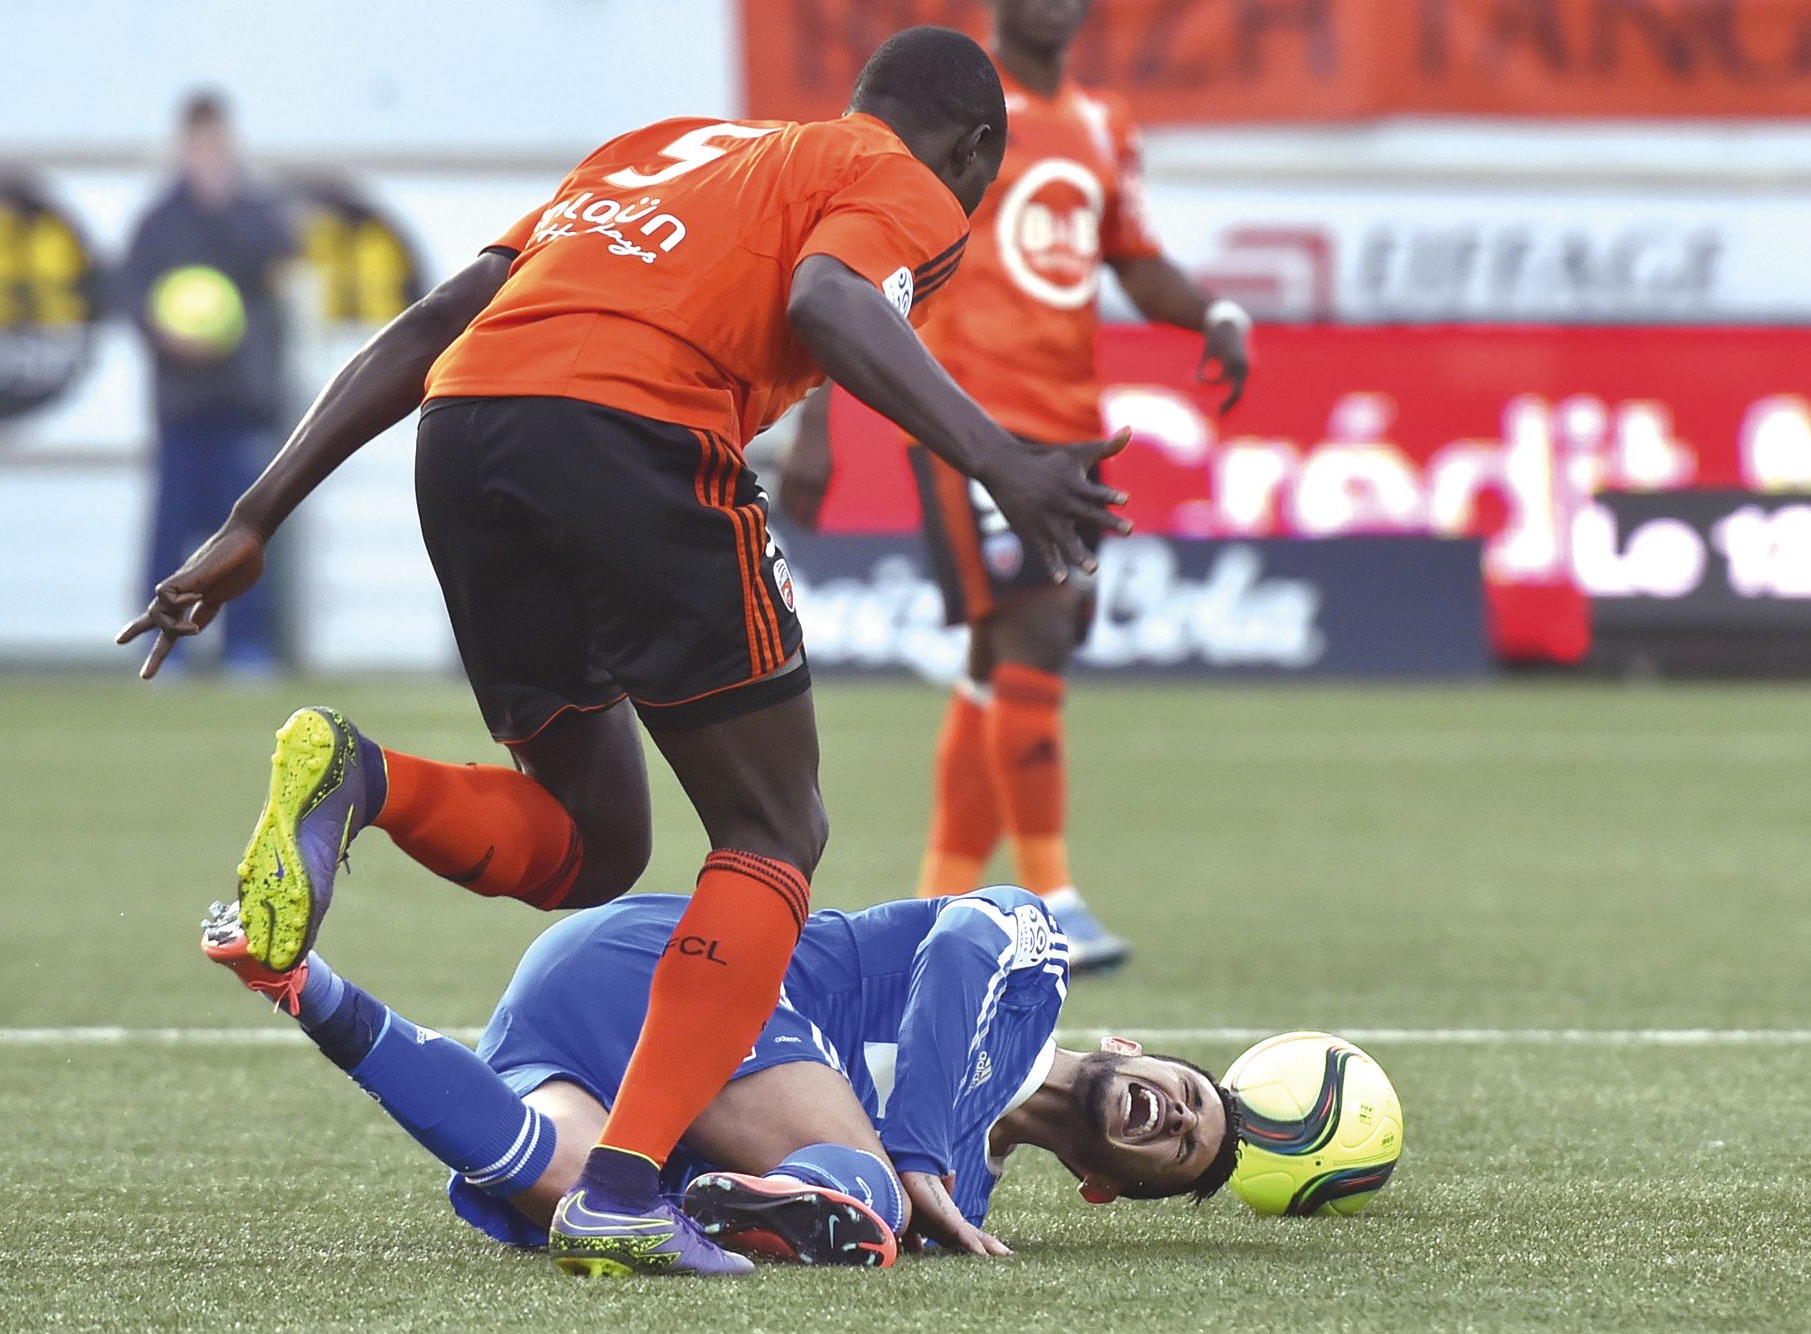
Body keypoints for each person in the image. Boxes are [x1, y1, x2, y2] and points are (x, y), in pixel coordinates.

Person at [119, 27, 1132, 1277]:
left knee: (592, 841)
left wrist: (252, 518)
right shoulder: (910, 184)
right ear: (975, 151)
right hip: (636, 431)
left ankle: (359, 778)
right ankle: (619, 1183)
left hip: (471, 430)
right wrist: (1002, 459)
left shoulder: (657, 152)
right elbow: (830, 296)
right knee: (773, 829)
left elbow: (442, 315)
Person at [781, 0, 1252, 972]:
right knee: (1035, 626)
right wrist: (816, 420)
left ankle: (934, 906)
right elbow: (851, 267)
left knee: (1010, 653)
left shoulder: (1101, 122)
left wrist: (1213, 312)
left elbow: (1130, 255)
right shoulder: (950, 112)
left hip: (1070, 414)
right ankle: (1052, 897)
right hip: (974, 419)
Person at [199, 882, 1242, 1267]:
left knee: (563, 1178)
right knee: (871, 1187)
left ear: (1110, 1186)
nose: (1171, 1116)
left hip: (589, 1042)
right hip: (689, 962)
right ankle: (750, 1195)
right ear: (1126, 1046)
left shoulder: (965, 1199)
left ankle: (303, 983)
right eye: (1187, 1092)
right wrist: (915, 1153)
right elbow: (962, 941)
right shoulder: (1035, 963)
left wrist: (930, 1178)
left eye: (1177, 1148)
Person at [119, 91, 299, 675]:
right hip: (182, 407)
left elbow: (280, 264)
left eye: (216, 145)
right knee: (170, 534)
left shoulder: (255, 212)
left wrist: (223, 205)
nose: (207, 156)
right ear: (182, 147)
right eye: (197, 146)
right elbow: (130, 296)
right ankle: (162, 647)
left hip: (243, 405)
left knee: (244, 538)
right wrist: (167, 336)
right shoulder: (159, 220)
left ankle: (248, 649)